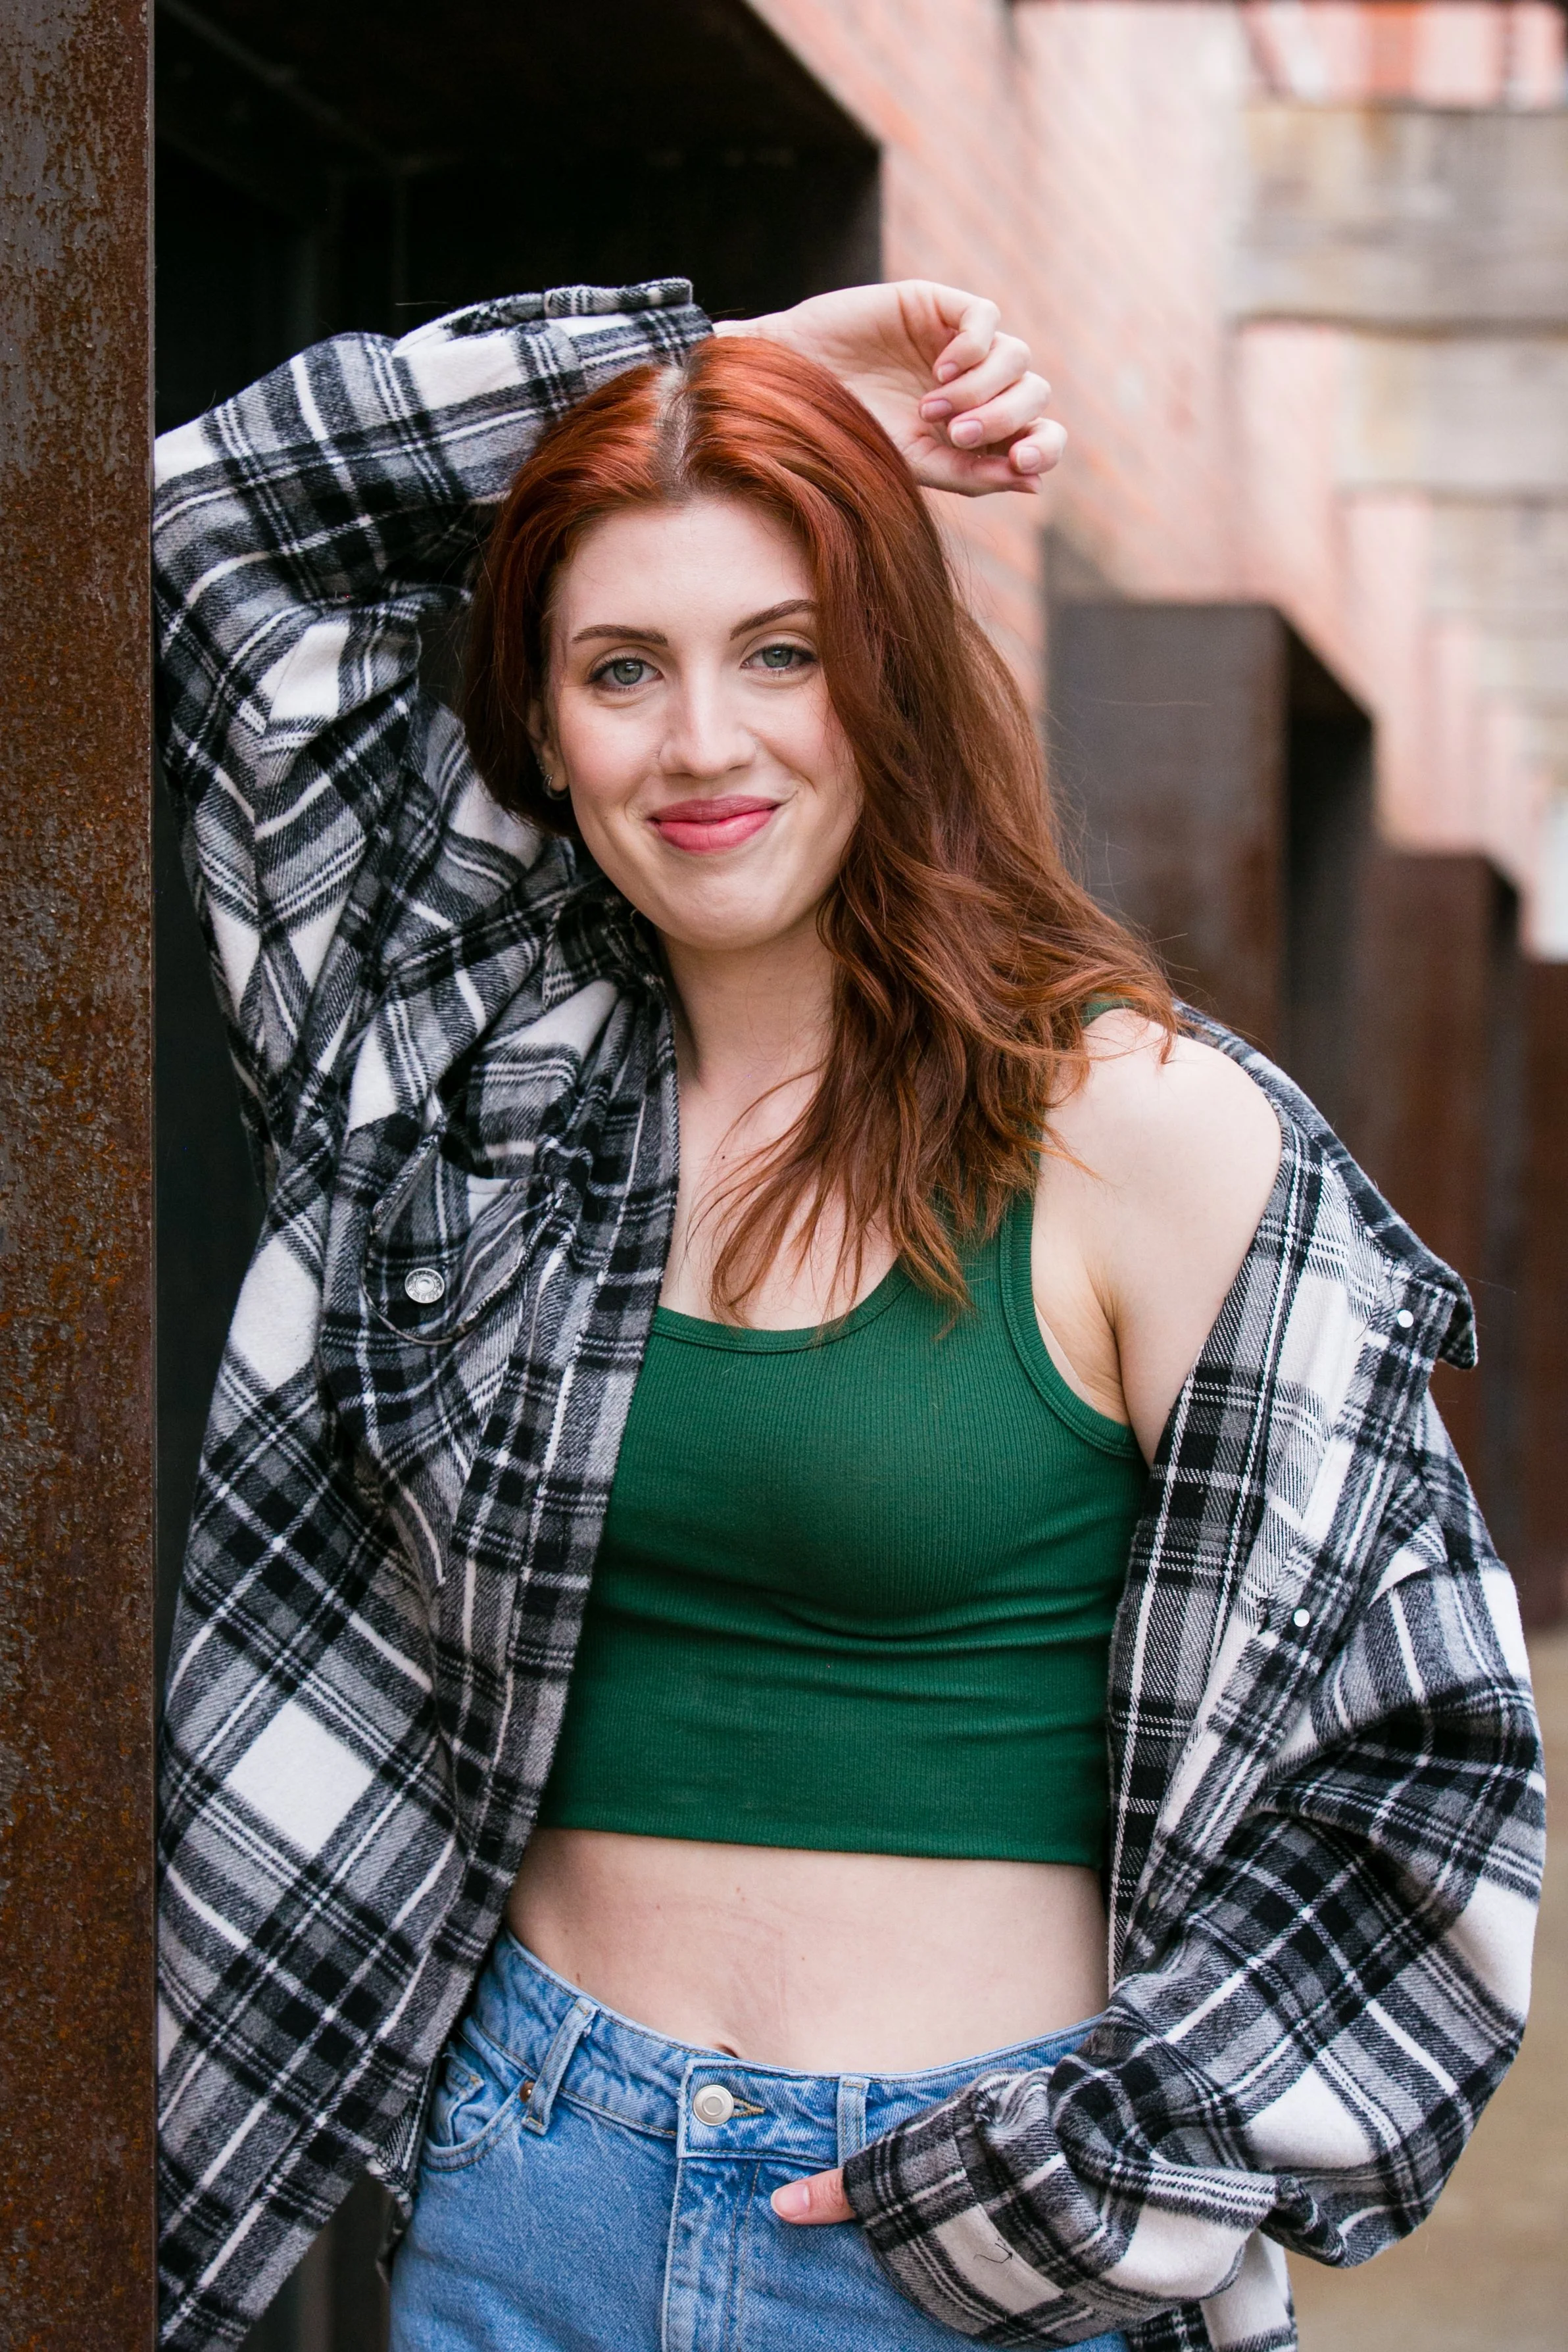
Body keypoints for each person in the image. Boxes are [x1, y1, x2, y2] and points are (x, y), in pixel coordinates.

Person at [152, 278, 1542, 2352]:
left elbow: (1430, 1765)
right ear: (538, 723)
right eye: (623, 668)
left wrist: (1082, 2174)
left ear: (885, 682)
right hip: (521, 2197)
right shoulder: (452, 1077)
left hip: (967, 2252)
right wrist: (739, 367)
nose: (703, 743)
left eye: (780, 655)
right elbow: (205, 527)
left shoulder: (1144, 1132)